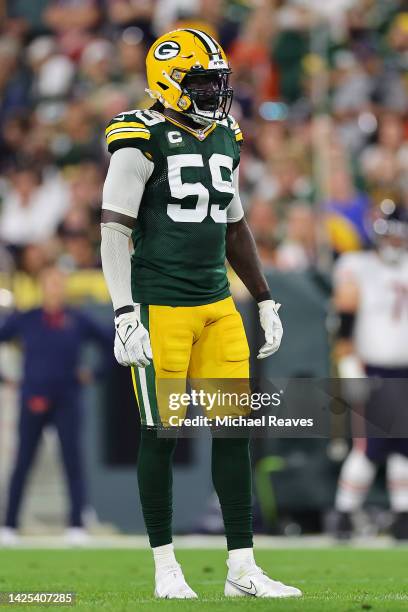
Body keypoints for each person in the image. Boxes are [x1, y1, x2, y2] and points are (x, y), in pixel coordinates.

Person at [100, 28, 301, 599]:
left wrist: (263, 297)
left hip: (216, 304)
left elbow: (232, 222)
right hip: (160, 304)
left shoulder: (226, 135)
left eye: (218, 81)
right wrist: (123, 311)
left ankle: (243, 568)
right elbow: (115, 229)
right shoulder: (140, 135)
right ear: (168, 82)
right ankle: (166, 567)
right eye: (202, 82)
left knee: (235, 433)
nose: (215, 92)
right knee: (161, 434)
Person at [0, 265, 112, 546]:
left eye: (59, 282)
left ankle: (76, 525)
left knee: (72, 461)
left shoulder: (78, 319)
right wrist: (5, 379)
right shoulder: (26, 318)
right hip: (33, 399)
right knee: (23, 462)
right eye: (50, 282)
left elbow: (111, 343)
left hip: (67, 399)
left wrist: (94, 374)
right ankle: (9, 525)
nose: (55, 288)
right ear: (41, 286)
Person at [333, 203, 408, 540]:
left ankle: (402, 513)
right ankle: (345, 513)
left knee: (402, 447)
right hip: (373, 369)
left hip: (404, 371)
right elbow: (343, 327)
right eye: (388, 236)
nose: (393, 243)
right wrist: (350, 370)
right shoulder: (358, 267)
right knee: (369, 447)